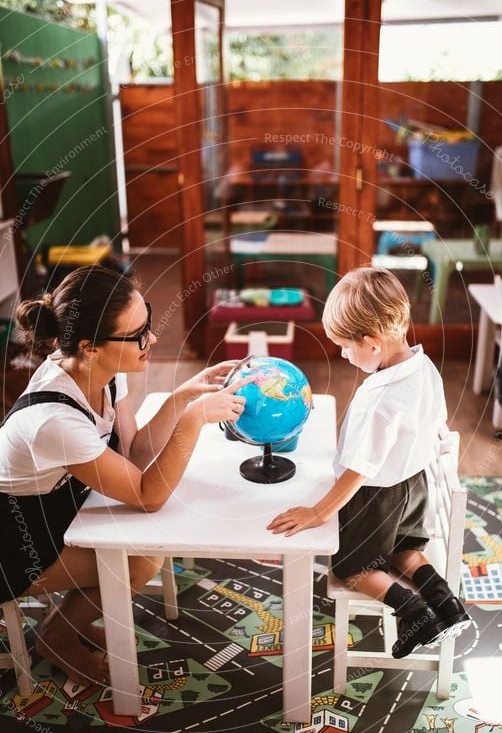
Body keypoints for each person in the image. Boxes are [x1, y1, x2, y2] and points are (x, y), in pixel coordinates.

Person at [0, 266, 247, 685]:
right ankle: (57, 636)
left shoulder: (100, 374)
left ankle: (65, 626)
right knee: (140, 556)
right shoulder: (55, 421)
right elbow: (148, 494)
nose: (150, 339)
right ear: (90, 347)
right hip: (14, 545)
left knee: (145, 549)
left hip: (60, 513)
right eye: (136, 335)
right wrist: (191, 422)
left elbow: (131, 454)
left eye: (147, 321)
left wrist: (179, 398)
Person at [267, 267, 471, 658]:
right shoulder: (423, 367)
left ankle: (415, 614)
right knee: (402, 549)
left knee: (352, 568)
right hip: (415, 486)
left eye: (346, 347)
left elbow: (359, 470)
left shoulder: (378, 399)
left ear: (373, 344)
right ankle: (447, 603)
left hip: (376, 497)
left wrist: (317, 511)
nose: (343, 355)